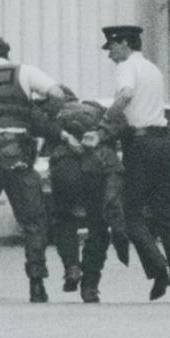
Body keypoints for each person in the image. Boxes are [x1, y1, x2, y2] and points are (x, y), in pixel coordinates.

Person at [0, 36, 63, 302]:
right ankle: (37, 285)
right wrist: (35, 114)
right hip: (16, 157)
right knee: (32, 221)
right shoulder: (24, 72)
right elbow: (58, 95)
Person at [103, 25, 170, 303]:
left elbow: (126, 95)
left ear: (125, 44)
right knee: (166, 214)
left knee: (130, 214)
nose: (110, 54)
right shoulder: (153, 69)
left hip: (140, 145)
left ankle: (159, 269)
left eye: (112, 47)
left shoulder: (127, 66)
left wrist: (106, 119)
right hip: (161, 144)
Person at [40, 86, 125, 303]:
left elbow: (41, 141)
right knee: (98, 225)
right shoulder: (96, 109)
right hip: (95, 171)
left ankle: (71, 266)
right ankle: (90, 285)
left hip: (65, 171)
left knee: (64, 221)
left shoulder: (52, 114)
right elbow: (120, 128)